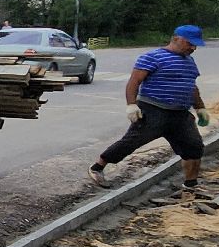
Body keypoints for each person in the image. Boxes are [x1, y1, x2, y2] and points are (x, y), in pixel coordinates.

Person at [89, 25, 209, 193]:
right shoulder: (153, 57)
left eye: (195, 45)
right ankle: (98, 167)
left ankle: (190, 185)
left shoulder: (189, 61)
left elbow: (191, 86)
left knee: (194, 147)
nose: (193, 48)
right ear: (176, 39)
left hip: (180, 115)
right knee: (131, 142)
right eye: (190, 43)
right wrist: (131, 105)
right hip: (153, 110)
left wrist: (200, 108)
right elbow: (134, 81)